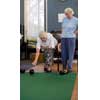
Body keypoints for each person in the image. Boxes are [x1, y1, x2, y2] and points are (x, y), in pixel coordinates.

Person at [60, 8, 78, 75]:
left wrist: (76, 32)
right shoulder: (64, 19)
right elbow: (62, 28)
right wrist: (62, 35)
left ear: (71, 13)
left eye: (67, 14)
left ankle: (69, 68)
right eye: (65, 14)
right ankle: (64, 68)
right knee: (63, 53)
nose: (66, 15)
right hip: (63, 38)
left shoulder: (76, 20)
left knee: (70, 53)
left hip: (71, 38)